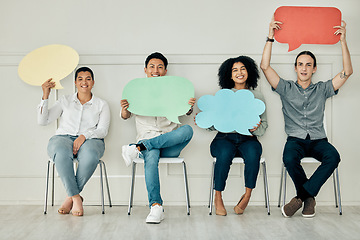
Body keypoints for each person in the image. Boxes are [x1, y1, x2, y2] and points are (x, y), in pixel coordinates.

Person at [260, 16, 353, 218]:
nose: (304, 68)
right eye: (300, 64)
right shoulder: (285, 88)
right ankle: (309, 198)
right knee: (289, 158)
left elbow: (347, 71)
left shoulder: (322, 89)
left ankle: (300, 197)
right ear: (295, 67)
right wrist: (270, 38)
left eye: (308, 64)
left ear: (314, 68)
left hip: (319, 139)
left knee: (334, 157)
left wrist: (343, 41)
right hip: (295, 140)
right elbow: (265, 67)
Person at [120, 52, 195, 224]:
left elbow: (184, 112)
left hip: (170, 143)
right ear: (145, 70)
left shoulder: (174, 90)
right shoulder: (136, 90)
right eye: (152, 67)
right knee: (151, 155)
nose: (156, 70)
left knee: (187, 130)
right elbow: (125, 116)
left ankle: (137, 148)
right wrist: (124, 109)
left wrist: (189, 107)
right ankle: (155, 206)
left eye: (160, 67)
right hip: (149, 140)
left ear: (165, 70)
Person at [38, 67, 110, 216]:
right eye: (80, 79)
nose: (84, 82)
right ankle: (76, 198)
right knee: (61, 152)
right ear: (75, 83)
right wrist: (45, 95)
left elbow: (103, 130)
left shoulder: (101, 104)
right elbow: (43, 121)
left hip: (91, 140)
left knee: (90, 156)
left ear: (93, 82)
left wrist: (84, 136)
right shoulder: (64, 100)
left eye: (88, 78)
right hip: (63, 138)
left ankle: (69, 197)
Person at [209, 56, 268, 216]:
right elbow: (214, 125)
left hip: (247, 138)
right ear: (229, 75)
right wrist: (206, 120)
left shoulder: (257, 96)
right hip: (224, 138)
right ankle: (218, 196)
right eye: (235, 70)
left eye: (242, 69)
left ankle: (247, 195)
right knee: (224, 153)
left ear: (249, 72)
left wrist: (255, 128)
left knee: (253, 153)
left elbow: (263, 128)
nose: (239, 73)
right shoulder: (223, 95)